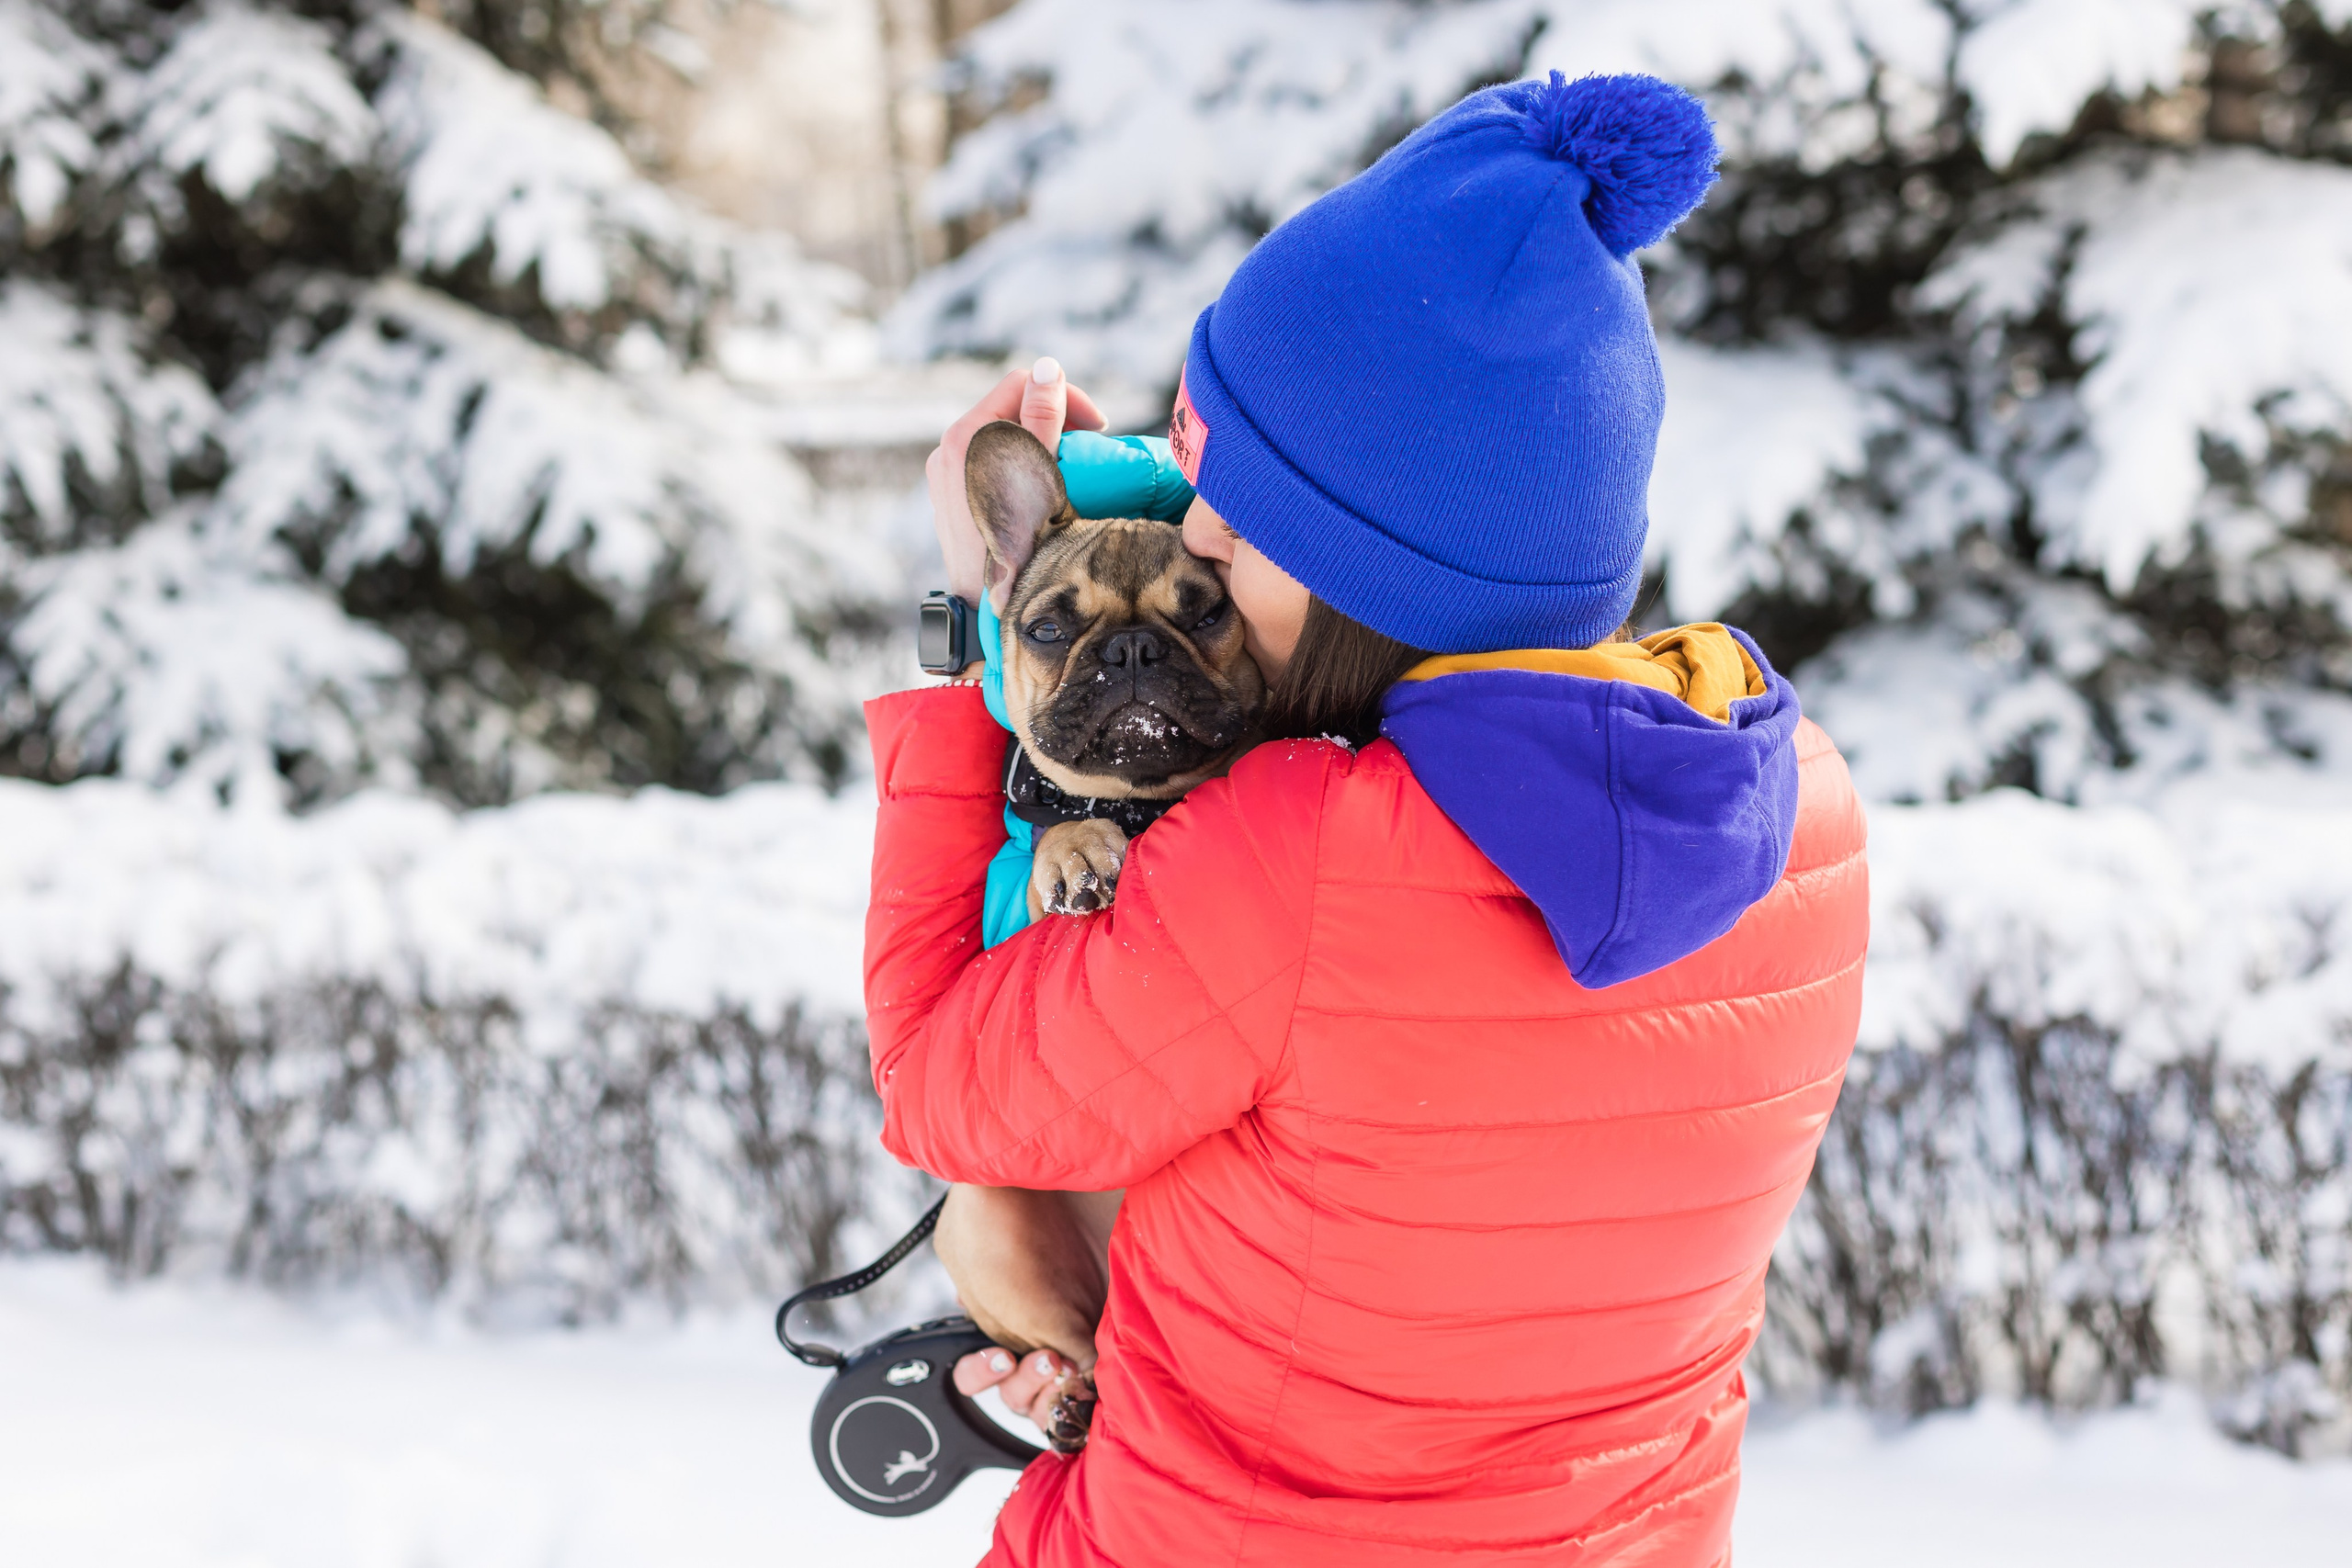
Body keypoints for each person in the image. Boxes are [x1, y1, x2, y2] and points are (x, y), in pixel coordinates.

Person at [865, 73, 1867, 1567]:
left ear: (1362, 569)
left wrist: (973, 644)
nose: (1189, 524)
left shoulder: (1294, 852)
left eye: (1227, 519)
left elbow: (941, 1083)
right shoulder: (1799, 815)